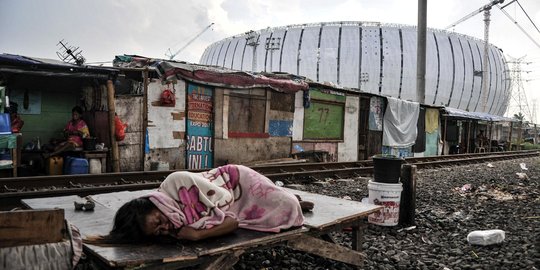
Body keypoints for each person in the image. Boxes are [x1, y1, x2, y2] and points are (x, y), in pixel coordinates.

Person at [87, 164, 310, 244]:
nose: (165, 227)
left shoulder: (176, 182)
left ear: (152, 203)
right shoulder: (173, 223)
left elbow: (229, 216)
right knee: (285, 208)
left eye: (159, 220)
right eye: (158, 231)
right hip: (237, 205)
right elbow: (230, 219)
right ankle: (285, 197)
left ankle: (290, 198)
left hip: (235, 182)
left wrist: (199, 235)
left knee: (289, 206)